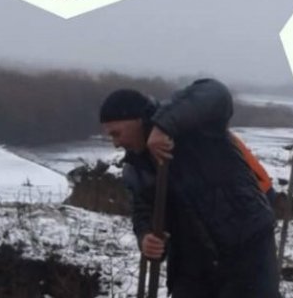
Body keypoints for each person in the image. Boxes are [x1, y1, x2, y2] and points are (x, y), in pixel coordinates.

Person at [99, 79, 279, 297]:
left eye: (116, 133)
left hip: (246, 248)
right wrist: (145, 237)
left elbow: (216, 93)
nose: (116, 143)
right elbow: (143, 212)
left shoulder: (196, 129)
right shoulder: (136, 169)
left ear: (137, 120)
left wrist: (163, 126)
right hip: (191, 264)